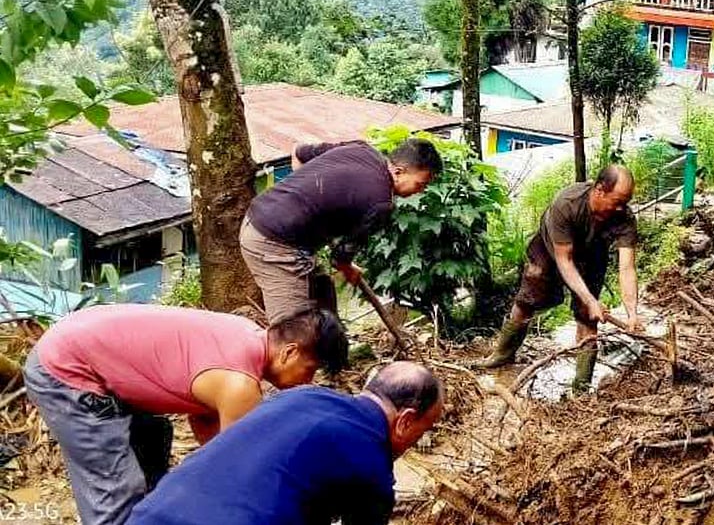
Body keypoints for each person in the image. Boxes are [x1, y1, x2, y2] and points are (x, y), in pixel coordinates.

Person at [24, 304, 348, 525]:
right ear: (290, 352)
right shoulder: (238, 384)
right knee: (115, 491)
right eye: (310, 370)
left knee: (153, 437)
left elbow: (210, 433)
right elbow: (242, 472)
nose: (307, 382)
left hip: (80, 343)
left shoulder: (246, 334)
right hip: (67, 370)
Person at [128, 362, 444, 525]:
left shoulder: (300, 395)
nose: (418, 441)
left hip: (150, 515)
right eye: (423, 428)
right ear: (404, 420)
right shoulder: (372, 466)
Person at [241, 137, 443, 325]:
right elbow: (340, 257)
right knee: (292, 331)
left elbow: (299, 152)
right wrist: (348, 268)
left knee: (323, 293)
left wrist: (306, 196)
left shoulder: (361, 149)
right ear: (399, 171)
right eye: (420, 184)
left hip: (260, 217)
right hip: (273, 245)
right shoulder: (381, 203)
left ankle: (334, 359)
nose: (420, 191)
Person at [479, 165, 643, 392]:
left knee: (588, 319)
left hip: (591, 256)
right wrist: (590, 299)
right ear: (599, 191)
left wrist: (632, 313)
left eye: (625, 202)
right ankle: (502, 354)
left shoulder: (623, 217)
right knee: (526, 301)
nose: (621, 208)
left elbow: (627, 268)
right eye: (617, 201)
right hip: (550, 249)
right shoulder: (567, 204)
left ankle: (581, 387)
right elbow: (564, 261)